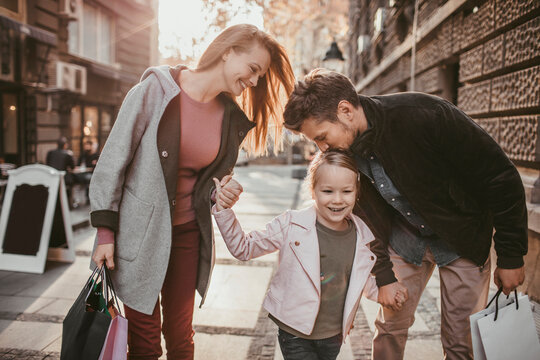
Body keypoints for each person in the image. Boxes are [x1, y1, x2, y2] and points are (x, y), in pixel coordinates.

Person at [282, 69, 528, 360]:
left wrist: (511, 256)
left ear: (345, 110)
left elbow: (500, 178)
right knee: (389, 329)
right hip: (405, 241)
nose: (322, 148)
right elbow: (362, 219)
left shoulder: (425, 114)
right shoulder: (342, 154)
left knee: (461, 343)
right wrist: (384, 275)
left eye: (322, 136)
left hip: (463, 239)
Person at [89, 24, 295, 359]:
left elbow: (210, 185)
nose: (255, 81)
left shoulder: (230, 118)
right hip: (138, 236)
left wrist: (222, 193)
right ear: (228, 51)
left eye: (260, 76)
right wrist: (104, 231)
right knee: (144, 341)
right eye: (253, 69)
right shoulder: (153, 92)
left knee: (181, 337)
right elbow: (113, 163)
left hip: (188, 236)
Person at [212, 150, 406, 360]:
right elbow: (244, 248)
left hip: (334, 335)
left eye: (347, 191)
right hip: (295, 333)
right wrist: (224, 211)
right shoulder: (291, 224)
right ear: (313, 191)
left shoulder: (361, 234)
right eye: (328, 191)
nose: (338, 200)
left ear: (356, 192)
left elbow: (357, 278)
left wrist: (383, 294)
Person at [46, 136, 75, 203]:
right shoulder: (68, 154)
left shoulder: (50, 153)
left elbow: (47, 164)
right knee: (72, 180)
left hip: (51, 177)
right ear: (65, 145)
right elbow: (72, 167)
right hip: (63, 178)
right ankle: (69, 202)